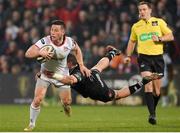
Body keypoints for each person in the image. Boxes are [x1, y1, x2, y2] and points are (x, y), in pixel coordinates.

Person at [24, 20, 90, 131]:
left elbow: (77, 50)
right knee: (38, 99)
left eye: (56, 30)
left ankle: (65, 107)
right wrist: (40, 52)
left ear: (63, 32)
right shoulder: (45, 41)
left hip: (62, 76)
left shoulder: (69, 42)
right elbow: (28, 53)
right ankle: (32, 123)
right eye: (51, 30)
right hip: (45, 74)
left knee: (67, 101)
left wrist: (82, 65)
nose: (52, 32)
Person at [45, 45, 162, 105]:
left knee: (115, 94)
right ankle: (112, 53)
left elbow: (70, 80)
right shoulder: (71, 70)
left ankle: (143, 81)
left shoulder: (76, 72)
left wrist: (52, 75)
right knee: (97, 68)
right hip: (91, 77)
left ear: (70, 63)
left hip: (96, 89)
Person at [124, 1, 174, 125]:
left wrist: (160, 38)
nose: (142, 12)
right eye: (140, 10)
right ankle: (152, 115)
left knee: (157, 92)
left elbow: (171, 36)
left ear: (150, 10)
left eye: (144, 9)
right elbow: (132, 42)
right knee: (147, 84)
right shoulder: (136, 26)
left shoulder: (159, 22)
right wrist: (128, 56)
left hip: (158, 59)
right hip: (144, 58)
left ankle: (153, 111)